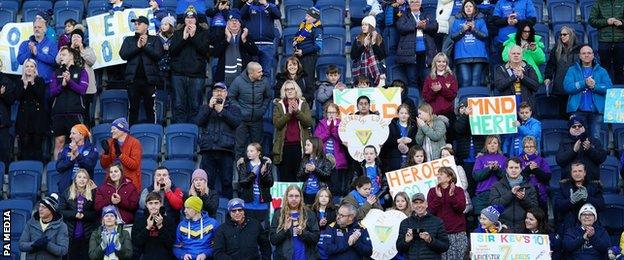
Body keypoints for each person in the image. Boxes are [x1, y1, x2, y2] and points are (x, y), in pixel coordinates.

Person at [195, 82, 242, 199]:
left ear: (226, 93)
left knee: (227, 182)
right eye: (216, 91)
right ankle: (208, 210)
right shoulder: (206, 108)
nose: (218, 93)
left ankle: (227, 211)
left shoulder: (234, 108)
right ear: (212, 93)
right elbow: (198, 122)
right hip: (208, 150)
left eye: (221, 91)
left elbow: (236, 122)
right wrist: (209, 108)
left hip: (226, 150)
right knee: (208, 183)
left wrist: (222, 111)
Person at [119, 15, 164, 125]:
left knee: (150, 109)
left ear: (146, 26)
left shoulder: (155, 39)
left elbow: (158, 55)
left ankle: (152, 132)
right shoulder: (129, 40)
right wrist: (138, 46)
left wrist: (145, 46)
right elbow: (123, 55)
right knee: (133, 109)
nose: (136, 25)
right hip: (133, 81)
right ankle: (131, 133)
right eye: (135, 24)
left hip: (150, 81)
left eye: (139, 24)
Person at [169, 6, 210, 123]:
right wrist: (183, 39)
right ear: (184, 20)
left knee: (196, 106)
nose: (190, 20)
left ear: (196, 19)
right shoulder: (177, 33)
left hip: (197, 75)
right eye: (187, 17)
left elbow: (205, 51)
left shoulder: (204, 33)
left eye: (192, 18)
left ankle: (194, 133)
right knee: (178, 105)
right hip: (178, 74)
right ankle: (180, 132)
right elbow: (172, 52)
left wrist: (193, 37)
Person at [563, 44, 613, 140]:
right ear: (580, 56)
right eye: (584, 53)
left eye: (589, 53)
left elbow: (609, 88)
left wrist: (595, 86)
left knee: (595, 139)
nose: (586, 55)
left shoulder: (602, 71)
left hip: (596, 112)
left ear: (593, 55)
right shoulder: (572, 70)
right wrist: (584, 83)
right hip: (577, 111)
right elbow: (567, 87)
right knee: (577, 140)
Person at [50, 46, 89, 160]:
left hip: (75, 112)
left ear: (71, 56)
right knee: (59, 142)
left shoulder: (81, 71)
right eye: (60, 55)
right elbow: (52, 92)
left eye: (64, 54)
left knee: (77, 142)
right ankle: (57, 169)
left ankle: (79, 172)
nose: (61, 57)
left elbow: (82, 90)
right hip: (59, 113)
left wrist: (70, 82)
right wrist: (62, 85)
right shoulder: (56, 72)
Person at [272, 80, 313, 181]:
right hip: (284, 147)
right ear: (284, 92)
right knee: (285, 178)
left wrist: (297, 112)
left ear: (296, 90)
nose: (289, 91)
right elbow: (277, 124)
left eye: (292, 89)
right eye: (287, 89)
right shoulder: (279, 105)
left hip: (300, 147)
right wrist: (289, 113)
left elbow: (308, 122)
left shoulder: (303, 104)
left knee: (300, 179)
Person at [230, 62, 272, 158]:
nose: (262, 73)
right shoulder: (238, 81)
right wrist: (240, 111)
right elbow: (231, 97)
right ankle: (240, 170)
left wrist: (262, 109)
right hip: (241, 121)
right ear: (251, 73)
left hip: (257, 119)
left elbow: (268, 97)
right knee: (239, 147)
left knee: (257, 147)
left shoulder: (264, 81)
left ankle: (257, 171)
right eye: (259, 72)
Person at [396, 0, 438, 91]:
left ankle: (427, 103)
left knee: (427, 79)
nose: (415, 3)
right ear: (409, 4)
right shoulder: (404, 16)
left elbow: (435, 26)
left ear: (420, 4)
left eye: (417, 2)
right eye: (412, 2)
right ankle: (414, 101)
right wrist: (416, 25)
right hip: (410, 54)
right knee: (412, 80)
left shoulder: (427, 15)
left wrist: (425, 27)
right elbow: (400, 27)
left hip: (426, 53)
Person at [269, 185, 320, 260]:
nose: (294, 199)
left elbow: (316, 238)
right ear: (286, 197)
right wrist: (285, 230)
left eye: (297, 196)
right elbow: (273, 240)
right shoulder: (278, 214)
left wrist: (302, 233)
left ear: (301, 198)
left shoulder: (309, 213)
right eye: (291, 196)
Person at [554, 161, 605, 236]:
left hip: (589, 223)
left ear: (584, 173)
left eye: (580, 171)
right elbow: (558, 206)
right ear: (571, 173)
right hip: (570, 225)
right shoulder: (564, 186)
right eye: (574, 171)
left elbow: (601, 205)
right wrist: (571, 201)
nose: (577, 173)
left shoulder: (594, 186)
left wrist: (587, 198)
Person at [427, 167, 467, 260]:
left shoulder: (458, 190)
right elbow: (430, 211)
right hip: (440, 234)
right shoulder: (433, 191)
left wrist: (452, 196)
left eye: (441, 174)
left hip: (457, 233)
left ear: (449, 178)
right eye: (438, 174)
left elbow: (461, 208)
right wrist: (438, 197)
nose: (438, 176)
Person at [212, 10, 259, 86]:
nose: (234, 23)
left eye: (236, 20)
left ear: (240, 23)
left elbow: (254, 52)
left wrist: (244, 40)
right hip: (224, 77)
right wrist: (227, 39)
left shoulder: (246, 35)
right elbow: (215, 53)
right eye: (231, 20)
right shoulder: (221, 35)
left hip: (243, 77)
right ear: (227, 23)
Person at [241, 0, 281, 87]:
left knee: (266, 72)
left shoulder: (270, 6)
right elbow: (241, 15)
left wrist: (266, 4)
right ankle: (253, 98)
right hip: (253, 45)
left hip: (268, 44)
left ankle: (268, 99)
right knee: (252, 73)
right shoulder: (249, 6)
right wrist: (248, 2)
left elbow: (278, 15)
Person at [489, 157, 539, 229]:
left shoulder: (529, 187)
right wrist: (511, 194)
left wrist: (523, 198)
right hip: (502, 226)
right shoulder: (497, 186)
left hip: (524, 227)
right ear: (506, 169)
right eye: (511, 167)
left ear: (521, 169)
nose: (514, 170)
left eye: (516, 167)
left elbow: (534, 208)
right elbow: (494, 206)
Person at [59, 168, 98, 259]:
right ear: (75, 179)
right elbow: (60, 211)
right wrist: (74, 214)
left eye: (84, 177)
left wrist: (84, 215)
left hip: (87, 235)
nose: (82, 179)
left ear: (88, 180)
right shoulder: (67, 192)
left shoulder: (93, 193)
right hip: (70, 235)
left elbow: (96, 212)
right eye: (79, 177)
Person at [396, 193, 449, 259]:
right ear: (412, 206)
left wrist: (430, 240)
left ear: (426, 204)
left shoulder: (437, 222)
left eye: (421, 202)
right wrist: (406, 241)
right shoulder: (405, 223)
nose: (419, 205)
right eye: (416, 203)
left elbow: (445, 246)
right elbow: (399, 248)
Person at [556, 115, 607, 181]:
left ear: (584, 128)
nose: (577, 128)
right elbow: (559, 161)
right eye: (574, 126)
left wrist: (590, 149)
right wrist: (573, 151)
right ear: (570, 129)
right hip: (569, 183)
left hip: (590, 182)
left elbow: (601, 158)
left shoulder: (594, 141)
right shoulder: (564, 142)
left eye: (580, 126)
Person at [15, 58, 48, 161]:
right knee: (24, 147)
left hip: (37, 119)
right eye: (27, 66)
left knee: (37, 146)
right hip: (24, 119)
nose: (29, 68)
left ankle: (36, 169)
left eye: (31, 66)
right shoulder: (20, 81)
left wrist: (32, 83)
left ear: (35, 69)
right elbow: (18, 97)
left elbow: (40, 96)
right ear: (24, 68)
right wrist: (25, 85)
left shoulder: (40, 80)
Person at [450, 0, 489, 87]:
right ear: (463, 8)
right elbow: (453, 37)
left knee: (476, 81)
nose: (468, 8)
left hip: (479, 55)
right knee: (465, 80)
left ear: (474, 8)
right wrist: (463, 30)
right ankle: (464, 100)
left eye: (470, 6)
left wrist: (474, 29)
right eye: (466, 6)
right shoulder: (457, 20)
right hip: (462, 55)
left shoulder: (480, 20)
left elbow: (485, 36)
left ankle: (475, 99)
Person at [19, 193, 69, 259]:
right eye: (40, 206)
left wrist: (47, 245)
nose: (40, 209)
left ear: (52, 210)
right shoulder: (31, 223)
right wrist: (34, 244)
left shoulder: (61, 226)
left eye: (44, 207)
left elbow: (63, 250)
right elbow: (21, 245)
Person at [544, 25, 580, 117]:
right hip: (561, 85)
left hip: (576, 86)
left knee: (575, 116)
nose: (562, 37)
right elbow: (550, 65)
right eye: (561, 35)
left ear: (571, 35)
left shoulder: (580, 49)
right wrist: (548, 77)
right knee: (562, 114)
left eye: (565, 34)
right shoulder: (556, 49)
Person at [314, 102, 349, 196]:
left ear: (337, 114)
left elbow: (343, 139)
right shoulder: (321, 124)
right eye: (329, 112)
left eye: (333, 112)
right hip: (323, 158)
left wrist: (333, 130)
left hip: (337, 159)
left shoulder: (342, 124)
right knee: (324, 182)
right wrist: (328, 131)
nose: (331, 114)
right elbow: (317, 140)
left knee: (336, 184)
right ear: (326, 113)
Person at [422, 52, 457, 142]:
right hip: (433, 115)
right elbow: (426, 98)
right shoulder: (429, 78)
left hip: (448, 114)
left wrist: (441, 89)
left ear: (446, 63)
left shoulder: (451, 77)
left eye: (444, 62)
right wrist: (434, 91)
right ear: (435, 63)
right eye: (439, 61)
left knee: (448, 141)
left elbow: (452, 96)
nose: (441, 64)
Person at [236, 142, 274, 225]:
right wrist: (252, 174)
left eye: (251, 151)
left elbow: (270, 183)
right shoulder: (244, 165)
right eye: (247, 151)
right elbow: (242, 182)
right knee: (248, 227)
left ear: (258, 152)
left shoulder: (265, 165)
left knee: (262, 229)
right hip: (248, 204)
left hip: (262, 204)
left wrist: (264, 174)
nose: (249, 153)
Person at [65, 28, 97, 126]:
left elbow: (92, 61)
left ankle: (86, 136)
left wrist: (81, 49)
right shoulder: (66, 49)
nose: (75, 38)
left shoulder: (87, 49)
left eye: (78, 37)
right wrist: (70, 49)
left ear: (82, 39)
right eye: (73, 36)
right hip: (70, 87)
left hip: (86, 89)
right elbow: (58, 60)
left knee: (85, 113)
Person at [100, 117, 143, 190]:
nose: (111, 131)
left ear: (122, 130)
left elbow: (134, 165)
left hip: (129, 183)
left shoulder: (135, 143)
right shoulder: (110, 142)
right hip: (112, 182)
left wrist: (120, 155)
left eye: (114, 129)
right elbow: (104, 166)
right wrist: (106, 154)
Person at [491, 0, 537, 66]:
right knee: (502, 68)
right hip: (502, 41)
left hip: (521, 42)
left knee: (522, 68)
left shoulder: (527, 1)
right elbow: (495, 21)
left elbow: (532, 21)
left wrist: (517, 22)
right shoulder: (500, 2)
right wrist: (507, 21)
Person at [56, 124, 98, 194]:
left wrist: (77, 155)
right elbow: (58, 167)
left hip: (84, 189)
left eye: (73, 133)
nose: (70, 136)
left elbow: (89, 166)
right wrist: (71, 160)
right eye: (70, 133)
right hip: (66, 188)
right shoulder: (66, 148)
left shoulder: (92, 149)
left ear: (82, 135)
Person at [132, 192, 176, 259]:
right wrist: (147, 228)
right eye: (150, 203)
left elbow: (170, 243)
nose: (153, 206)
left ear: (161, 204)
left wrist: (160, 227)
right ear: (146, 205)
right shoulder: (139, 221)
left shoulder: (168, 220)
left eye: (156, 203)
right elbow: (136, 242)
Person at [589, 1, 624, 84]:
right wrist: (606, 22)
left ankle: (619, 92)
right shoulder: (599, 3)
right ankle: (604, 90)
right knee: (604, 69)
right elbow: (591, 21)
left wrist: (622, 23)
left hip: (620, 41)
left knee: (619, 68)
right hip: (604, 41)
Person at [292, 6, 323, 101]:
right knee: (298, 80)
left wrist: (303, 51)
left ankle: (308, 103)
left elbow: (318, 46)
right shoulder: (303, 26)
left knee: (308, 81)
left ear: (314, 18)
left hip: (309, 58)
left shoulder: (317, 29)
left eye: (309, 16)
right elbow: (297, 38)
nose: (306, 18)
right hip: (299, 57)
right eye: (306, 15)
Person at [472, 135, 507, 214]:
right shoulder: (480, 158)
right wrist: (489, 169)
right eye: (489, 143)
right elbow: (476, 176)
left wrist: (497, 169)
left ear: (498, 145)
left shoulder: (504, 159)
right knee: (482, 223)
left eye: (495, 143)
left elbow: (506, 177)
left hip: (498, 194)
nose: (492, 145)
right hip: (482, 195)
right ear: (486, 145)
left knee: (496, 224)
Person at [351, 15, 387, 87]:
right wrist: (363, 45)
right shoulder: (357, 39)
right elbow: (353, 56)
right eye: (362, 25)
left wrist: (373, 44)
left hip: (377, 71)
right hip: (361, 71)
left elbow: (382, 56)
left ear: (371, 26)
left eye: (366, 25)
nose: (363, 27)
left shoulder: (379, 38)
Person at [381, 103, 417, 172]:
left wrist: (410, 141)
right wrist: (397, 141)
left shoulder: (414, 126)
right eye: (401, 113)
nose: (404, 115)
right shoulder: (391, 126)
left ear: (409, 115)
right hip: (395, 159)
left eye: (406, 113)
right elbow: (387, 142)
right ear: (398, 113)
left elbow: (417, 141)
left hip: (410, 158)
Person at [518, 136, 551, 211]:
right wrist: (528, 169)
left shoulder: (541, 160)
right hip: (524, 194)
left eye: (531, 146)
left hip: (540, 193)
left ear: (535, 147)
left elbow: (547, 177)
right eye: (526, 147)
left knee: (542, 218)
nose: (529, 149)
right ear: (523, 148)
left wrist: (536, 170)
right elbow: (517, 177)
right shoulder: (518, 160)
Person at [298, 137, 334, 204]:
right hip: (306, 193)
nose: (305, 147)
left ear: (315, 146)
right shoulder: (305, 160)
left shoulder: (326, 161)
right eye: (305, 145)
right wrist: (305, 171)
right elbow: (299, 177)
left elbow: (327, 176)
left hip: (320, 194)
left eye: (308, 145)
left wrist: (315, 169)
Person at [440, 146, 472, 213]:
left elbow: (464, 185)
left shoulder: (459, 168)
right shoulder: (438, 172)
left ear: (452, 157)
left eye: (447, 155)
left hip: (460, 200)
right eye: (442, 155)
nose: (445, 157)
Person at [454, 100, 485, 165]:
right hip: (464, 157)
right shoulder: (457, 122)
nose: (465, 109)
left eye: (467, 107)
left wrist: (483, 152)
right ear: (458, 111)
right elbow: (460, 129)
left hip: (479, 155)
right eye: (462, 108)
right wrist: (465, 115)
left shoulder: (481, 120)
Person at [0, 58, 15, 166]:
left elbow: (11, 101)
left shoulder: (6, 81)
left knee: (4, 151)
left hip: (2, 124)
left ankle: (5, 175)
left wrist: (3, 94)